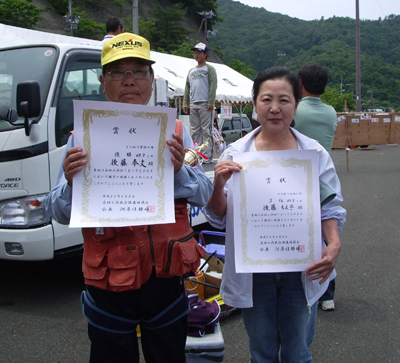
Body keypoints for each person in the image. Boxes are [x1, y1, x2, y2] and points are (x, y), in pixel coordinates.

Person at [45, 33, 213, 363]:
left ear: (151, 80)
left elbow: (204, 195)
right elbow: (58, 211)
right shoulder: (82, 135)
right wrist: (69, 183)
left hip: (165, 282)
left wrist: (179, 170)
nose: (129, 80)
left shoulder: (176, 131)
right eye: (117, 72)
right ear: (103, 82)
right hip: (109, 285)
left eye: (138, 71)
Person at [203, 66, 346, 363]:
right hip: (255, 270)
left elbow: (329, 207)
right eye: (267, 99)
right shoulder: (235, 154)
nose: (275, 108)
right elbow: (219, 216)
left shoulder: (314, 154)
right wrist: (218, 186)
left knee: (298, 352)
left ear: (296, 105)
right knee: (262, 352)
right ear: (255, 105)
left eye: (284, 100)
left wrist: (333, 244)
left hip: (301, 267)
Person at [294, 62, 338, 311]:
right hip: (325, 182)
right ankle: (327, 293)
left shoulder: (296, 111)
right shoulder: (331, 113)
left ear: (300, 85)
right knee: (327, 238)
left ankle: (305, 286)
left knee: (304, 236)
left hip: (298, 179)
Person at [183, 42, 217, 163]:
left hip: (205, 103)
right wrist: (185, 103)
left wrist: (211, 101)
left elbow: (213, 85)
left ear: (205, 54)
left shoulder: (209, 69)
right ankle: (196, 154)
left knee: (206, 130)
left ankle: (207, 155)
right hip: (193, 103)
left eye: (199, 52)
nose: (196, 55)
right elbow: (187, 87)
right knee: (195, 130)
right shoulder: (191, 71)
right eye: (195, 52)